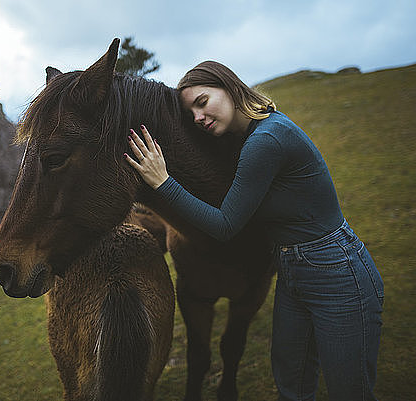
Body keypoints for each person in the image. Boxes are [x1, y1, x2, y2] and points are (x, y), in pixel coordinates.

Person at [123, 61, 384, 401]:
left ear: (230, 87)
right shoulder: (244, 139)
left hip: (336, 268)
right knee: (292, 382)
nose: (199, 118)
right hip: (293, 268)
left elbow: (226, 224)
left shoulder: (267, 140)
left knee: (350, 392)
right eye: (192, 114)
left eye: (203, 102)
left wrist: (163, 182)